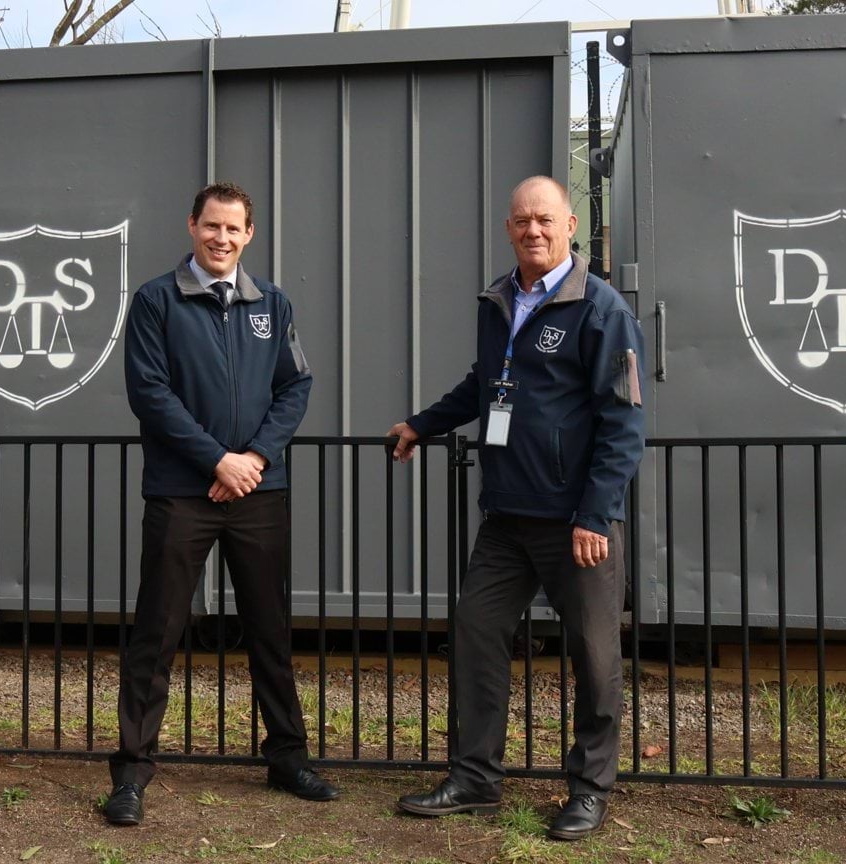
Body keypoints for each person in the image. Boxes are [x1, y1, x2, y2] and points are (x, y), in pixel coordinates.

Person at [388, 176, 645, 841]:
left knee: (593, 654)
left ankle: (589, 789)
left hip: (574, 521)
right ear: (509, 229)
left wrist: (596, 513)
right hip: (506, 514)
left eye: (545, 220)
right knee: (476, 634)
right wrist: (422, 423)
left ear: (569, 226)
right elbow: (485, 385)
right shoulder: (499, 301)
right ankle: (474, 779)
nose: (533, 231)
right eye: (521, 221)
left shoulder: (601, 307)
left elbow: (623, 422)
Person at [103, 181, 334, 827]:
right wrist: (216, 461)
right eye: (212, 226)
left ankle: (287, 759)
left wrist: (253, 460)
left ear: (249, 234)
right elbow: (150, 393)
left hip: (260, 490)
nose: (222, 238)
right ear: (192, 226)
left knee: (271, 631)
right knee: (157, 631)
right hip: (183, 493)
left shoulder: (274, 305)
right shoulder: (156, 301)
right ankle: (132, 771)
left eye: (234, 229)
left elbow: (296, 387)